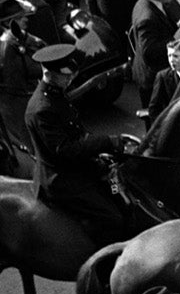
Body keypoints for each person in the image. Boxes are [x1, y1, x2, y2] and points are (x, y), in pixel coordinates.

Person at [25, 42, 136, 232]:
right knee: (112, 218)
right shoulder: (41, 109)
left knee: (118, 189)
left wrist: (101, 152)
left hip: (77, 165)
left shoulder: (55, 94)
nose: (70, 79)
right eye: (65, 76)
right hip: (61, 179)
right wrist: (105, 142)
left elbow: (76, 131)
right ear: (49, 74)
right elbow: (64, 150)